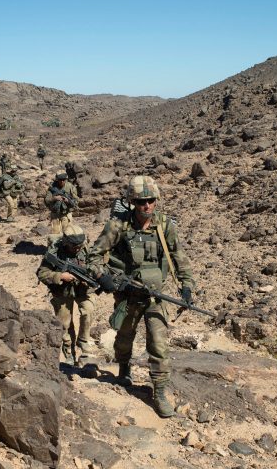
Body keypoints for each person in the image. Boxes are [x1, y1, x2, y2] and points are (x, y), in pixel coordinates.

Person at [88, 175, 195, 418]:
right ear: (132, 202)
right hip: (127, 296)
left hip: (155, 297)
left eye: (150, 201)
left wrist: (187, 286)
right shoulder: (118, 226)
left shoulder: (165, 225)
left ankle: (159, 392)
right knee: (125, 337)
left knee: (158, 343)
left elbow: (179, 258)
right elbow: (93, 256)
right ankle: (124, 366)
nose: (146, 206)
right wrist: (102, 277)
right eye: (140, 202)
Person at [36, 224, 96, 366]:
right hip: (62, 291)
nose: (77, 249)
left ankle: (84, 343)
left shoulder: (86, 249)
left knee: (88, 310)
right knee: (64, 323)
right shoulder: (54, 252)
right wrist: (60, 276)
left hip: (82, 289)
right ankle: (69, 352)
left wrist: (90, 276)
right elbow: (41, 273)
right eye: (74, 246)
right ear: (66, 243)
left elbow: (97, 265)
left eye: (79, 245)